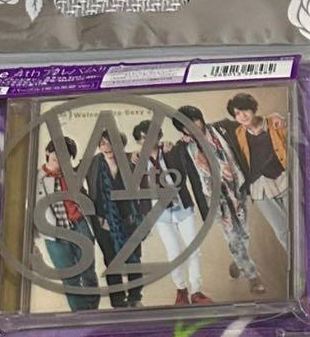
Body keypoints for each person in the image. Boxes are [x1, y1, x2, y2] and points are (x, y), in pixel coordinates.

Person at [171, 106, 266, 296]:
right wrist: (167, 146)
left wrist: (269, 120)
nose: (192, 127)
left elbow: (248, 125)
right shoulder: (184, 147)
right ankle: (252, 276)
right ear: (183, 130)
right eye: (186, 126)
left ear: (200, 118)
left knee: (244, 232)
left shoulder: (223, 127)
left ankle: (239, 261)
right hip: (214, 198)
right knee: (232, 236)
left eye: (194, 120)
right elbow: (167, 158)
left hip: (236, 188)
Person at [131, 119, 210, 306]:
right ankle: (181, 290)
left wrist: (172, 148)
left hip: (182, 207)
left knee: (194, 250)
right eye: (143, 138)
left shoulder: (171, 151)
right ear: (139, 141)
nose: (147, 141)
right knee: (173, 253)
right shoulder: (136, 160)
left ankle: (196, 291)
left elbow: (186, 153)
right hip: (160, 213)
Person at [35, 137, 99, 312]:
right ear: (47, 152)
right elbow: (27, 210)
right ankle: (81, 316)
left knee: (88, 273)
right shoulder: (35, 178)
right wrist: (30, 241)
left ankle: (93, 312)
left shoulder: (72, 175)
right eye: (56, 152)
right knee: (69, 279)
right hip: (54, 235)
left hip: (79, 227)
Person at [85, 130, 144, 308]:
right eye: (103, 143)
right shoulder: (93, 163)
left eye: (111, 142)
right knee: (111, 262)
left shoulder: (131, 159)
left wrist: (166, 145)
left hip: (129, 221)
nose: (107, 146)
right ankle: (118, 301)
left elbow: (151, 161)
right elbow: (72, 175)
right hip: (104, 223)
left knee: (134, 260)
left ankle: (135, 297)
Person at [224, 92, 289, 250]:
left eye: (245, 110)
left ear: (253, 108)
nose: (242, 116)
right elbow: (209, 128)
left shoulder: (274, 123)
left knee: (300, 225)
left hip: (284, 181)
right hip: (260, 190)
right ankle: (298, 264)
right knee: (282, 232)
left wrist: (278, 117)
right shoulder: (237, 133)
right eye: (237, 113)